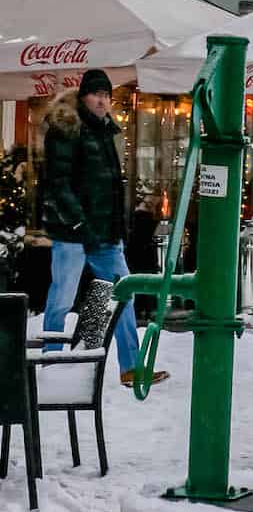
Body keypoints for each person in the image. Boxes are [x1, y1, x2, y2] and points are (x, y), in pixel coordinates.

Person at [41, 69, 167, 389]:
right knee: (62, 298)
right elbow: (58, 182)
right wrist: (78, 220)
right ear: (84, 96)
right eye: (97, 94)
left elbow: (111, 187)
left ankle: (131, 367)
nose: (103, 100)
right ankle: (50, 363)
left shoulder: (106, 131)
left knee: (124, 294)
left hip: (105, 235)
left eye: (107, 95)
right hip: (73, 230)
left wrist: (117, 228)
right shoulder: (66, 128)